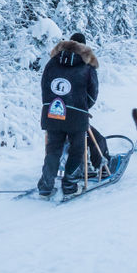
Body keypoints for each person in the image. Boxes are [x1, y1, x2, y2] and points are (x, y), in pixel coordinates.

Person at [38, 32, 99, 197]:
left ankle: (46, 186)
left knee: (53, 150)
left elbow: (45, 87)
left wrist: (51, 104)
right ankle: (70, 186)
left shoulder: (52, 62)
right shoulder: (87, 65)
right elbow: (92, 95)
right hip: (76, 116)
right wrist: (82, 106)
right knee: (77, 150)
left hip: (52, 113)